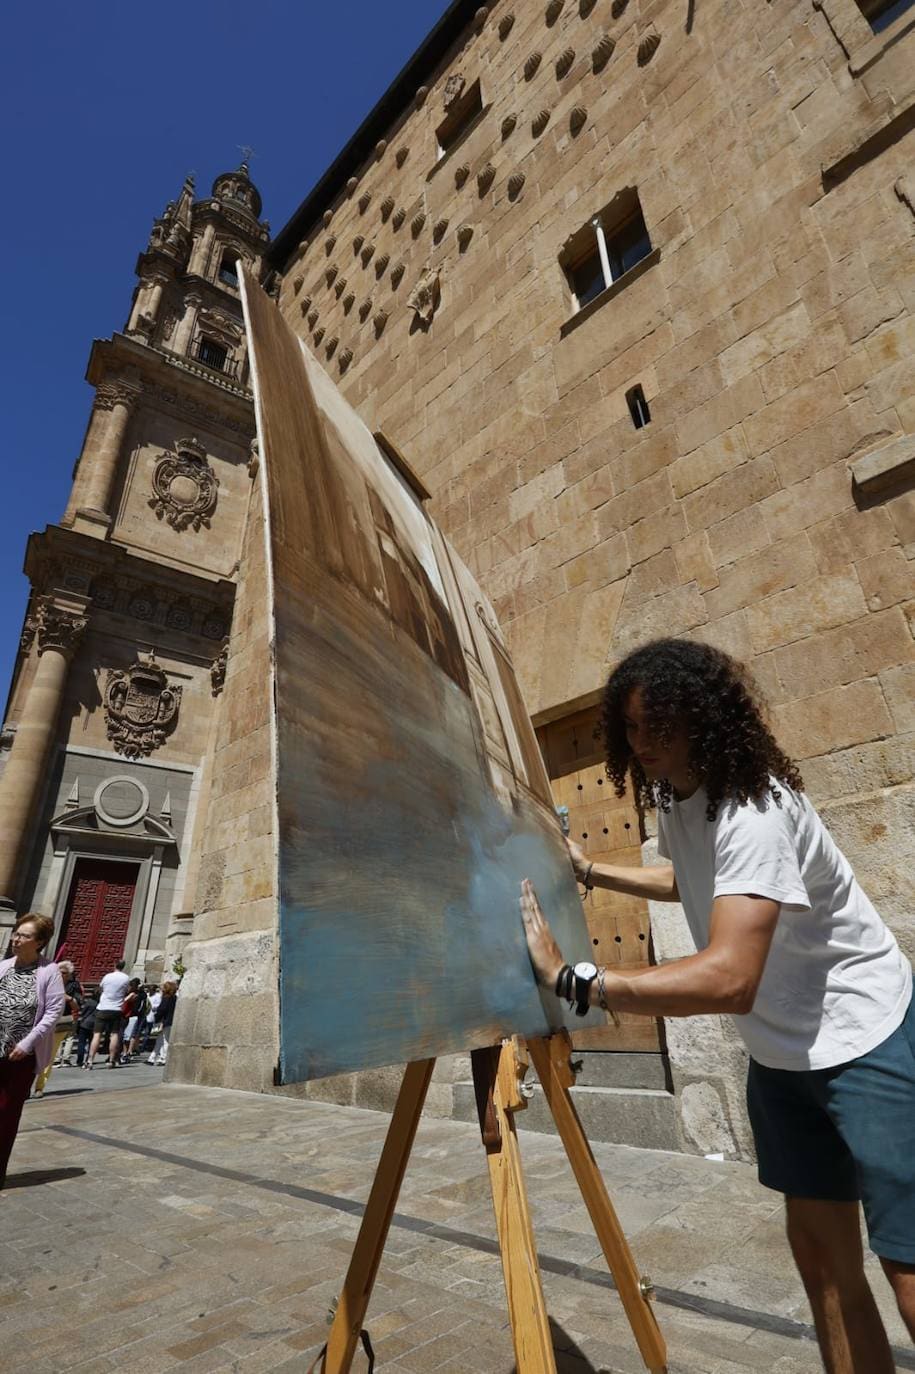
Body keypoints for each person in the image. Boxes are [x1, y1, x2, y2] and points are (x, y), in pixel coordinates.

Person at [520, 638, 914, 1371]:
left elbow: (729, 978)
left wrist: (578, 980)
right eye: (632, 728)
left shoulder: (755, 808)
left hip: (865, 1040)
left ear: (703, 721)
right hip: (779, 1058)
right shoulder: (676, 795)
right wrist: (591, 868)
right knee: (823, 1268)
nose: (642, 746)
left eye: (659, 728)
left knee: (909, 1271)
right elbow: (690, 881)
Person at [0, 913, 65, 1185]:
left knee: (5, 1114)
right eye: (16, 932)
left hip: (19, 1057)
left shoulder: (49, 972)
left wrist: (27, 1044)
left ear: (39, 942)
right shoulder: (3, 967)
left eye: (24, 935)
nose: (16, 938)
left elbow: (53, 1012)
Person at [85, 958, 130, 1070]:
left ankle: (90, 1060)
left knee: (97, 1035)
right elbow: (126, 991)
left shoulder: (107, 977)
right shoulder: (126, 978)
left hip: (103, 1008)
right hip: (116, 1009)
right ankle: (111, 1060)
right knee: (114, 1035)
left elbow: (102, 988)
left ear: (115, 964)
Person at [147, 980, 177, 1065]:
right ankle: (152, 1058)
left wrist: (157, 1017)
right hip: (169, 1020)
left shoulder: (166, 998)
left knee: (164, 1040)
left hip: (164, 1021)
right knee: (160, 1040)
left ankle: (163, 1058)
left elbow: (162, 1009)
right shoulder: (174, 998)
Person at [75, 990, 98, 1068]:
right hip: (94, 1025)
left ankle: (79, 1060)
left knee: (81, 1043)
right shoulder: (99, 1004)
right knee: (91, 1043)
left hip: (84, 1024)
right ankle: (88, 1059)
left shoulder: (89, 1002)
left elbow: (83, 1012)